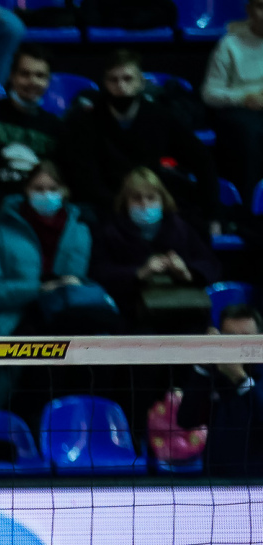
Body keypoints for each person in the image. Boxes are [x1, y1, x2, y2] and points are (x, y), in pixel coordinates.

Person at [0, 161, 95, 409]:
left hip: (66, 317)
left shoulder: (80, 232)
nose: (46, 194)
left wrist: (68, 287)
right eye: (38, 188)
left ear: (64, 191)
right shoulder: (1, 234)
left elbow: (84, 281)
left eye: (52, 188)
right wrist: (36, 290)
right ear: (26, 191)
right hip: (12, 320)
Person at [60, 50, 218, 229]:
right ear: (105, 83)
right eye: (113, 80)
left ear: (141, 82)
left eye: (128, 79)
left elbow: (202, 159)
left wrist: (212, 215)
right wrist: (122, 206)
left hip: (150, 203)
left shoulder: (160, 117)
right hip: (105, 208)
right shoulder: (85, 121)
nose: (121, 86)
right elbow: (86, 180)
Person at [89, 168, 220, 331]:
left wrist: (188, 272)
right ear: (125, 202)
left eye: (151, 197)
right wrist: (138, 273)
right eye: (136, 198)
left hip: (184, 312)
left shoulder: (180, 228)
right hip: (133, 317)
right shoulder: (111, 233)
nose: (144, 204)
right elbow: (99, 272)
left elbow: (210, 263)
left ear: (162, 200)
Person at [0, 46, 65, 233]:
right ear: (12, 76)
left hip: (38, 203)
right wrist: (7, 202)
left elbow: (60, 178)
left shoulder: (55, 125)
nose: (33, 81)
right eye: (25, 74)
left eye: (40, 76)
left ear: (48, 81)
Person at [175, 304, 263, 476]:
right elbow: (186, 419)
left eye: (245, 338)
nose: (238, 346)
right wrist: (203, 368)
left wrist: (240, 380)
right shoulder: (213, 377)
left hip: (257, 480)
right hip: (215, 479)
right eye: (230, 338)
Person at [201, 0, 263, 198]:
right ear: (249, 10)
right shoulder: (230, 44)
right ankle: (249, 205)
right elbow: (209, 93)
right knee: (250, 134)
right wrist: (243, 98)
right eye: (261, 6)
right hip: (239, 111)